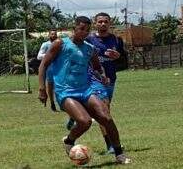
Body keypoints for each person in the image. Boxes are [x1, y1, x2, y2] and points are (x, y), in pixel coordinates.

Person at [38, 16, 131, 164]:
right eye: (81, 29)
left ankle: (119, 154)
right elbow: (43, 65)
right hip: (65, 91)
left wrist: (102, 76)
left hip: (86, 89)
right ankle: (69, 141)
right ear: (74, 28)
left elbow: (96, 67)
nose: (84, 32)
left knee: (106, 117)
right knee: (85, 121)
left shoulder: (89, 48)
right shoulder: (60, 44)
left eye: (87, 30)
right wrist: (42, 89)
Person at [67, 12, 125, 154]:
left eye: (106, 21)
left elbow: (124, 63)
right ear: (95, 23)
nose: (103, 24)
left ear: (110, 23)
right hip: (93, 80)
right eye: (100, 22)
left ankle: (75, 116)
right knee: (104, 110)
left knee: (100, 112)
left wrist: (118, 57)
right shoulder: (89, 40)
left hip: (110, 79)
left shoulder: (117, 40)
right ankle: (110, 145)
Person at [37, 29, 58, 112]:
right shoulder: (45, 44)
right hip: (50, 68)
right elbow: (39, 56)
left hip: (60, 68)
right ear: (49, 35)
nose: (54, 35)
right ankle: (52, 102)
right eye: (52, 34)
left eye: (55, 34)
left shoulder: (59, 44)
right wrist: (49, 55)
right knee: (50, 86)